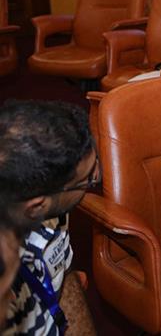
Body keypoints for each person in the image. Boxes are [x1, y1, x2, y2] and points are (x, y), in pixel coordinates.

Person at [0, 100, 98, 335]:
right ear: (36, 207)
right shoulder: (5, 264)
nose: (97, 176)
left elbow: (61, 274)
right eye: (86, 180)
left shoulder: (52, 207)